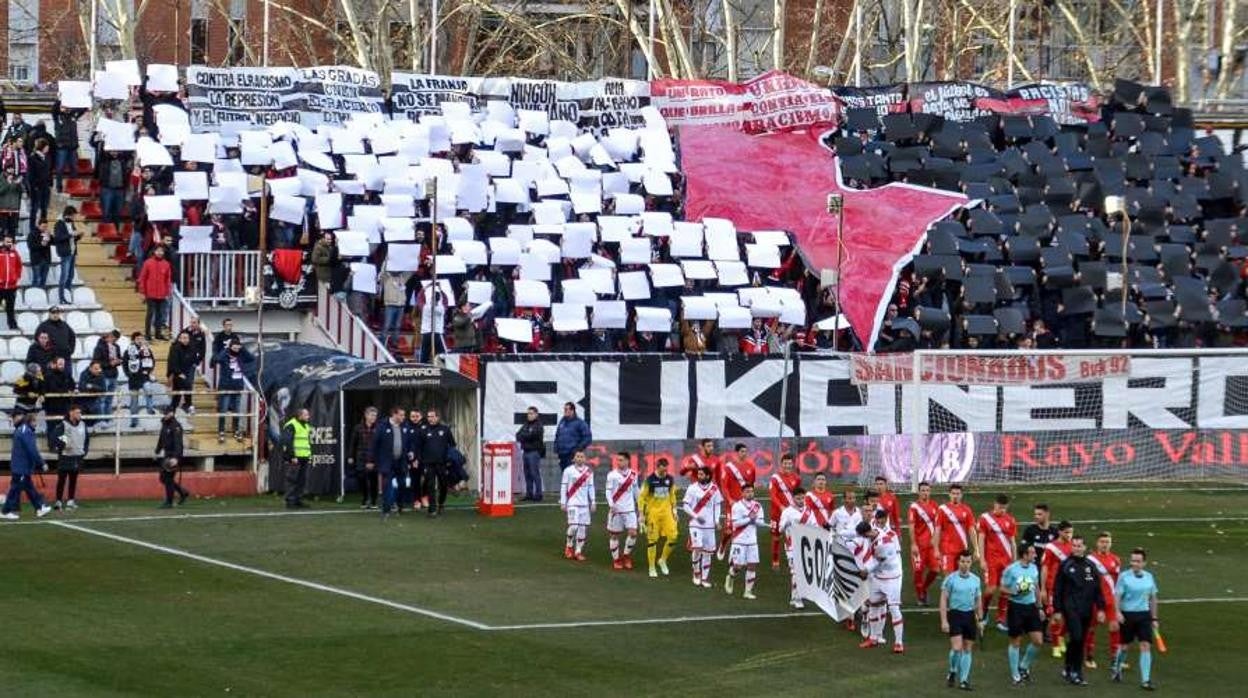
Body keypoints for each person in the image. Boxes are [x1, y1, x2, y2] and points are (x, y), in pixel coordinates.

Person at [1052, 535, 1106, 686]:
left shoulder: (1091, 565)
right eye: (1074, 545)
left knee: (1079, 640)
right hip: (1071, 608)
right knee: (1076, 637)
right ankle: (1077, 672)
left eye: (1079, 545)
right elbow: (1058, 589)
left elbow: (1097, 589)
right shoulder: (1065, 565)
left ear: (1084, 547)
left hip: (1087, 609)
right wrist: (1057, 610)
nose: (1076, 548)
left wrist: (1101, 608)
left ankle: (1068, 667)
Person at [1112, 547, 1159, 690]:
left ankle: (1145, 680)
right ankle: (1117, 667)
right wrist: (1117, 612)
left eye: (1138, 561)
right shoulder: (1124, 576)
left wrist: (1154, 618)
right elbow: (1117, 596)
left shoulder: (1149, 577)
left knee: (1145, 645)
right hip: (1127, 615)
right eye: (1133, 561)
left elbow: (1153, 598)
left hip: (1143, 615)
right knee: (1125, 646)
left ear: (1144, 563)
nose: (1135, 564)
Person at [857, 519, 905, 653]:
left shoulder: (882, 544)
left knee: (894, 608)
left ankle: (899, 642)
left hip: (891, 578)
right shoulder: (875, 532)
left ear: (866, 533)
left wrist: (865, 571)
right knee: (873, 604)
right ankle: (873, 638)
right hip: (879, 577)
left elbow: (877, 562)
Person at [1002, 543, 1045, 686]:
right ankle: (1015, 675)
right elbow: (1002, 587)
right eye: (1032, 553)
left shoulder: (1034, 568)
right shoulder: (1011, 570)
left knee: (1038, 640)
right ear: (1025, 555)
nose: (1035, 555)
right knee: (1015, 641)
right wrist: (1013, 592)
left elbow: (1036, 587)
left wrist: (1039, 607)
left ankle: (1023, 666)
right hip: (1016, 607)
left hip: (1031, 607)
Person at [940, 550, 983, 691]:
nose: (965, 564)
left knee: (967, 648)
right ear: (958, 562)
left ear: (971, 563)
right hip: (955, 615)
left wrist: (980, 619)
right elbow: (943, 600)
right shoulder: (950, 579)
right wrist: (944, 621)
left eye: (968, 562)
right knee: (957, 648)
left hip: (969, 616)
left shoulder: (976, 580)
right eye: (963, 561)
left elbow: (978, 601)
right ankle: (953, 670)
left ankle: (964, 680)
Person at [976, 493, 1017, 632]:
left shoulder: (1010, 520)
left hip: (1007, 561)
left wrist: (1015, 561)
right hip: (991, 560)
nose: (1002, 510)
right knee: (990, 590)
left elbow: (1012, 541)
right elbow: (981, 538)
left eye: (1004, 508)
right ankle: (984, 611)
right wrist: (982, 558)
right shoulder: (985, 518)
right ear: (995, 505)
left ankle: (1001, 618)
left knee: (1005, 590)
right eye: (1000, 507)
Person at [2, 409, 53, 520]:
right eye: (35, 422)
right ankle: (6, 510)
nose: (36, 424)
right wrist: (42, 463)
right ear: (30, 422)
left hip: (20, 465)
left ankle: (39, 507)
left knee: (28, 487)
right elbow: (31, 449)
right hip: (22, 466)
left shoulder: (22, 430)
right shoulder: (26, 431)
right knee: (15, 489)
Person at [1086, 531, 1122, 670]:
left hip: (1111, 599)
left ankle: (1115, 658)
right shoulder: (1090, 560)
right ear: (1097, 543)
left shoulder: (1116, 559)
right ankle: (1089, 656)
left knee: (1115, 627)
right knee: (1091, 628)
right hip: (1095, 600)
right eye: (1102, 542)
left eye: (1107, 542)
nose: (1104, 545)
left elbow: (1118, 580)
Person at [682, 466, 721, 589]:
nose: (699, 477)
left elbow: (717, 506)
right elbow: (685, 506)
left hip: (709, 526)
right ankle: (696, 572)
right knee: (697, 547)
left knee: (708, 553)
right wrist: (696, 516)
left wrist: (716, 521)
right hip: (695, 524)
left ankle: (704, 578)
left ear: (708, 476)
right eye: (698, 474)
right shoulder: (692, 488)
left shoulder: (714, 489)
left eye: (701, 475)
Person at [1041, 520, 1076, 658]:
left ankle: (1060, 637)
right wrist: (1043, 588)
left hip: (1070, 587)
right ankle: (1055, 645)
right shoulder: (1051, 547)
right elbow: (1044, 567)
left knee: (1069, 617)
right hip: (1054, 586)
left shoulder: (1074, 546)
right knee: (1056, 616)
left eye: (1071, 532)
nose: (1069, 535)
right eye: (1066, 532)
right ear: (1060, 532)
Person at [639, 457, 678, 578]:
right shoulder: (649, 480)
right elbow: (641, 498)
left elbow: (672, 495)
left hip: (667, 513)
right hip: (653, 513)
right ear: (658, 467)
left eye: (666, 469)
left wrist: (674, 509)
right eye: (663, 470)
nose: (665, 472)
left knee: (673, 537)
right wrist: (641, 515)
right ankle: (651, 567)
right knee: (652, 540)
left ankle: (662, 560)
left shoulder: (669, 479)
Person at [369, 407, 413, 516]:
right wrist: (371, 460)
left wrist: (411, 451)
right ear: (394, 414)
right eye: (401, 415)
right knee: (387, 485)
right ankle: (386, 509)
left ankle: (400, 506)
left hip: (401, 462)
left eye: (404, 415)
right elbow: (374, 444)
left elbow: (410, 442)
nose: (404, 417)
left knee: (402, 484)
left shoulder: (405, 426)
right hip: (387, 462)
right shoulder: (382, 426)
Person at [723, 483, 762, 600]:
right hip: (739, 540)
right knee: (738, 566)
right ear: (742, 493)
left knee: (752, 566)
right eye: (747, 491)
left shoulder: (758, 506)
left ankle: (748, 591)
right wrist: (749, 519)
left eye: (751, 491)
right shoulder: (737, 506)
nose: (750, 493)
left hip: (752, 541)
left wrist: (756, 521)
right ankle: (730, 576)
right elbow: (735, 523)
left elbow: (760, 522)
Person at [414, 408, 456, 517]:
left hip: (442, 463)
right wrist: (418, 459)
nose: (430, 419)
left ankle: (441, 503)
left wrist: (450, 460)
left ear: (438, 417)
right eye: (428, 417)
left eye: (433, 416)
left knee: (443, 485)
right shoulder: (422, 429)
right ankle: (432, 510)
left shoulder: (445, 429)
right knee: (430, 486)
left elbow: (452, 445)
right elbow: (418, 447)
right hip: (428, 463)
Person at [717, 442, 755, 557]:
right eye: (742, 451)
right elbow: (724, 485)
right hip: (732, 504)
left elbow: (751, 485)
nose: (744, 454)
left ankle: (737, 552)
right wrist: (729, 499)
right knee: (728, 530)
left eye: (745, 451)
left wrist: (750, 499)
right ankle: (723, 545)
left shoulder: (750, 467)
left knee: (743, 528)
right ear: (736, 453)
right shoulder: (729, 467)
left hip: (744, 504)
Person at [777, 485, 813, 607]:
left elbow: (814, 526)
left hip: (805, 545)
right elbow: (780, 528)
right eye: (798, 498)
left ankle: (794, 597)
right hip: (791, 545)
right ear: (793, 498)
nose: (801, 501)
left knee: (802, 571)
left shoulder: (809, 511)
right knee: (795, 572)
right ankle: (797, 599)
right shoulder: (787, 512)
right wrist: (786, 524)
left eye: (802, 498)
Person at [212, 338, 253, 442]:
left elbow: (251, 358)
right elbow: (217, 359)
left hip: (238, 386)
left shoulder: (241, 355)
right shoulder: (224, 355)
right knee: (223, 410)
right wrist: (226, 350)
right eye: (234, 346)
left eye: (238, 346)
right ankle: (221, 431)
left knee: (237, 411)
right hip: (225, 387)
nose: (236, 348)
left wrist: (242, 349)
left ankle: (236, 430)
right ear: (230, 346)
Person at [605, 452, 640, 570]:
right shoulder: (612, 475)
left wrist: (640, 506)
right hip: (616, 510)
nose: (619, 462)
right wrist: (611, 505)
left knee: (633, 533)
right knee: (614, 535)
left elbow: (636, 491)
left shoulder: (633, 474)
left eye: (621, 460)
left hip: (629, 509)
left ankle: (626, 555)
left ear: (627, 461)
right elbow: (608, 491)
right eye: (618, 460)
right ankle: (616, 559)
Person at [908, 480, 941, 605]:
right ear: (918, 492)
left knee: (936, 570)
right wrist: (913, 544)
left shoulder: (935, 506)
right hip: (919, 546)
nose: (925, 493)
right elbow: (911, 526)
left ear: (930, 492)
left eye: (927, 490)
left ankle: (924, 588)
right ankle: (920, 595)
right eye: (923, 490)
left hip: (932, 546)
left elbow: (938, 525)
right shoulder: (914, 507)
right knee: (918, 571)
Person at [934, 483, 978, 575]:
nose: (955, 496)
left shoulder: (967, 510)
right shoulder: (942, 509)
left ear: (961, 495)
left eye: (958, 494)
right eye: (953, 493)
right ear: (949, 494)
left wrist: (976, 549)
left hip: (962, 551)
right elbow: (937, 530)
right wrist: (936, 549)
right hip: (947, 551)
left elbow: (972, 530)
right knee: (949, 579)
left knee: (962, 578)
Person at [559, 450, 595, 561]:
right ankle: (569, 545)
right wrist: (563, 502)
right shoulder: (568, 471)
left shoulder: (589, 472)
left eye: (582, 456)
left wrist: (593, 501)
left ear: (585, 459)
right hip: (572, 503)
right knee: (574, 526)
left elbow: (591, 487)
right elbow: (564, 486)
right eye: (578, 456)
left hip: (584, 504)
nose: (580, 458)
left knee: (582, 529)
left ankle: (578, 551)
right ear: (574, 458)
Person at [768, 452, 801, 568]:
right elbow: (772, 495)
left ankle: (793, 558)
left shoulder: (796, 478)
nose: (787, 465)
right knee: (776, 537)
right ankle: (775, 560)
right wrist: (781, 506)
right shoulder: (775, 478)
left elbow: (798, 495)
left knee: (792, 535)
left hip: (792, 513)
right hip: (777, 513)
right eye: (785, 463)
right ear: (781, 464)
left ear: (792, 465)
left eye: (789, 463)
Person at [54, 404, 89, 510]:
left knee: (73, 479)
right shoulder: (63, 424)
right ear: (71, 413)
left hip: (77, 456)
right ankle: (58, 501)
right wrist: (65, 444)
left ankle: (70, 500)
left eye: (80, 412)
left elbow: (86, 439)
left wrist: (84, 451)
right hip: (65, 456)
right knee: (61, 479)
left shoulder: (83, 424)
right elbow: (58, 437)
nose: (79, 414)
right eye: (77, 412)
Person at [137, 246, 173, 340]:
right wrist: (142, 292)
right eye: (158, 250)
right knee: (150, 314)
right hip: (150, 293)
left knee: (160, 315)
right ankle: (148, 334)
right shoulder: (148, 263)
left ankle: (158, 333)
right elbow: (143, 278)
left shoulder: (166, 264)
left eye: (162, 251)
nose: (160, 253)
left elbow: (167, 279)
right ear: (154, 251)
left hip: (162, 293)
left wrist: (167, 292)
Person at [347, 407, 380, 509]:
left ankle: (374, 501)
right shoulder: (358, 428)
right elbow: (353, 443)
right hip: (361, 457)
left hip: (375, 458)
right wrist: (350, 456)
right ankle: (365, 498)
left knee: (374, 480)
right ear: (366, 415)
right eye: (371, 415)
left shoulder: (379, 428)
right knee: (361, 479)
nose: (373, 417)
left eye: (375, 415)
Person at [123, 332, 156, 427]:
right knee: (134, 401)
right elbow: (125, 364)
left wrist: (149, 371)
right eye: (138, 339)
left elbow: (152, 361)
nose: (140, 340)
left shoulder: (147, 350)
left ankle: (150, 408)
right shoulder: (128, 351)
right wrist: (129, 374)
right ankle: (134, 420)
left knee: (149, 390)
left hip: (144, 377)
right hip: (133, 379)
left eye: (141, 338)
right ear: (133, 340)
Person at [282, 408, 312, 509]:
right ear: (300, 416)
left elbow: (306, 442)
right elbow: (287, 442)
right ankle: (290, 501)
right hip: (295, 458)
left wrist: (308, 455)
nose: (308, 416)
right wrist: (292, 456)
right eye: (306, 414)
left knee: (301, 480)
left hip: (304, 457)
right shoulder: (291, 425)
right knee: (292, 479)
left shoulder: (306, 426)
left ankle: (298, 500)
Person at [52, 206, 81, 305]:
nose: (74, 218)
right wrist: (71, 234)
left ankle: (67, 293)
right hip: (65, 253)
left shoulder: (71, 223)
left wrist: (78, 236)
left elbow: (72, 238)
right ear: (69, 214)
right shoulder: (59, 224)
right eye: (74, 215)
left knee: (71, 275)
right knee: (64, 276)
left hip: (72, 251)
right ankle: (61, 297)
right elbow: (58, 238)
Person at [91, 331, 123, 419]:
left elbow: (119, 357)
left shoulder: (116, 347)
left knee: (109, 399)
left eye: (116, 339)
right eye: (113, 338)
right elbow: (96, 362)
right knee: (102, 399)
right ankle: (101, 419)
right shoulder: (99, 347)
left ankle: (108, 418)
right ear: (108, 337)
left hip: (113, 375)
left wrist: (118, 361)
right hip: (104, 375)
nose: (114, 340)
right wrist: (109, 364)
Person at [515, 405, 545, 501]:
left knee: (534, 473)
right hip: (526, 452)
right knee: (527, 474)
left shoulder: (539, 425)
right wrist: (526, 436)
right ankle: (529, 493)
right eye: (528, 413)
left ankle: (539, 494)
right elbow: (518, 435)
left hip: (534, 452)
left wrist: (525, 436)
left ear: (536, 414)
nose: (529, 415)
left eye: (531, 413)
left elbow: (532, 436)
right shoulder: (526, 424)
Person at [43, 356, 73, 450]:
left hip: (64, 405)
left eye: (63, 364)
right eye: (60, 364)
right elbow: (53, 388)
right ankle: (52, 446)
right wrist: (66, 390)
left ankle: (63, 445)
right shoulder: (48, 375)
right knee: (52, 428)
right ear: (54, 364)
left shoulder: (67, 374)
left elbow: (72, 385)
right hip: (52, 406)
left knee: (65, 427)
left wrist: (72, 390)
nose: (62, 366)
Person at [166, 331, 198, 415]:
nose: (185, 340)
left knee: (179, 395)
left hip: (187, 372)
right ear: (179, 339)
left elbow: (194, 360)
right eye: (183, 338)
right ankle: (188, 405)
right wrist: (178, 373)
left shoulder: (192, 348)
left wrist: (194, 365)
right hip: (177, 373)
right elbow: (172, 362)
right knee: (180, 392)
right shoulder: (175, 348)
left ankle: (173, 410)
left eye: (186, 338)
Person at [553, 402, 590, 471]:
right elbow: (557, 435)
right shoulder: (562, 422)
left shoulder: (580, 423)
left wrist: (577, 449)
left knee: (573, 475)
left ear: (572, 411)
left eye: (566, 409)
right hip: (562, 455)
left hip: (572, 455)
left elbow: (587, 437)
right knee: (565, 475)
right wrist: (556, 448)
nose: (565, 411)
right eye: (564, 409)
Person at [26, 139, 51, 232]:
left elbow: (49, 171)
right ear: (42, 147)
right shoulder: (32, 158)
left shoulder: (47, 157)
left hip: (45, 186)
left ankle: (43, 227)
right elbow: (30, 175)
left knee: (44, 208)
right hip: (36, 187)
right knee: (34, 208)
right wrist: (34, 186)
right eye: (47, 146)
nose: (48, 148)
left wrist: (49, 183)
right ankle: (32, 229)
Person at [0, 234, 21, 329]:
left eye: (10, 242)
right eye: (7, 241)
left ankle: (12, 325)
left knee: (10, 308)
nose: (9, 243)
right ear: (3, 242)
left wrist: (16, 277)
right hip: (0, 286)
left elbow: (19, 266)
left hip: (11, 287)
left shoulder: (15, 253)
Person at [27, 217, 52, 287]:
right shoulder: (32, 234)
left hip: (46, 259)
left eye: (46, 227)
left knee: (43, 280)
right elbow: (31, 246)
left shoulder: (47, 233)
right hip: (37, 260)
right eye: (43, 226)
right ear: (38, 225)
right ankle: (34, 296)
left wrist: (50, 236)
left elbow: (54, 242)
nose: (45, 228)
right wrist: (41, 244)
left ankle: (41, 296)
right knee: (37, 280)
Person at [0, 168, 22, 240]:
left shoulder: (15, 179)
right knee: (4, 229)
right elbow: (1, 191)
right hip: (3, 209)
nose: (11, 175)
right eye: (9, 173)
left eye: (12, 173)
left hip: (14, 208)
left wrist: (18, 184)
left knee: (12, 229)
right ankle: (2, 244)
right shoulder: (1, 179)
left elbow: (21, 191)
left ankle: (12, 245)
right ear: (5, 172)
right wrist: (7, 183)